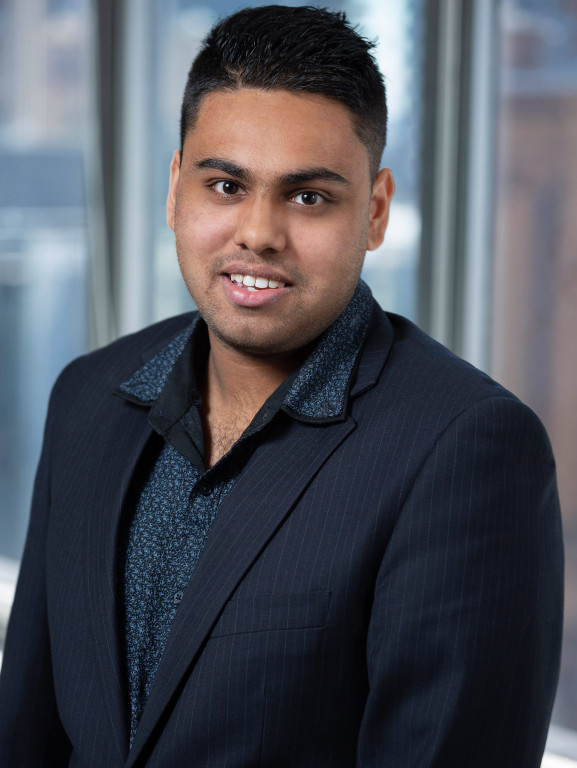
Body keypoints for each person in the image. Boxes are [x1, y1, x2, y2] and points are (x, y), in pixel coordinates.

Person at [0, 5, 564, 767]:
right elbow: (27, 732)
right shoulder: (87, 396)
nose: (258, 233)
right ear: (174, 190)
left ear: (374, 212)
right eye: (225, 185)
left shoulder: (466, 450)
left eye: (308, 197)